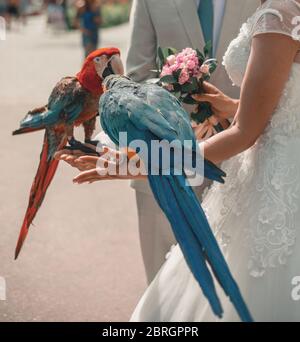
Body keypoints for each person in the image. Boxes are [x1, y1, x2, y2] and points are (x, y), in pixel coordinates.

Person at [58, 0, 300, 321]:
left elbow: (245, 133)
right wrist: (234, 105)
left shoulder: (279, 11)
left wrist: (137, 163)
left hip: (262, 181)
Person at [123, 0, 259, 284]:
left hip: (242, 166)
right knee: (163, 283)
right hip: (164, 160)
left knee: (232, 282)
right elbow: (136, 75)